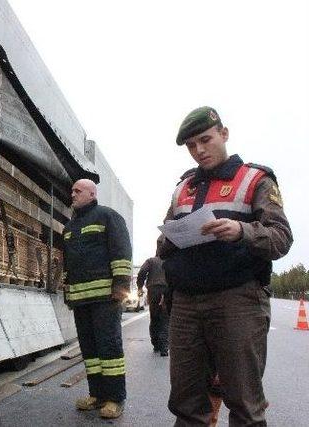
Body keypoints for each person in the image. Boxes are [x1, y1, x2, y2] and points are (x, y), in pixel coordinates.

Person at [159, 106, 293, 426]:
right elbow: (164, 244)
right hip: (187, 304)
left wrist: (241, 231)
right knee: (186, 403)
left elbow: (281, 238)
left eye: (205, 140)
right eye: (191, 146)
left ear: (224, 134)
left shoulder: (255, 179)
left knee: (244, 403)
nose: (199, 151)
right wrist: (170, 242)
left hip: (238, 300)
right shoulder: (183, 188)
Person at [63, 178, 132, 419]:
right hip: (81, 300)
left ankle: (115, 398)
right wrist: (68, 292)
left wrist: (121, 288)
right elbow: (68, 265)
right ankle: (97, 394)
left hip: (105, 299)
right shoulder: (69, 227)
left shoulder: (107, 217)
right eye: (72, 191)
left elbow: (121, 252)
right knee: (90, 350)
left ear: (92, 194)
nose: (73, 194)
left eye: (78, 191)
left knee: (109, 348)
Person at [136, 255, 169, 356]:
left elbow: (142, 272)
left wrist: (140, 287)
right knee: (165, 318)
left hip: (153, 290)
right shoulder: (170, 260)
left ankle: (156, 343)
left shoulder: (151, 261)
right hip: (167, 289)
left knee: (154, 318)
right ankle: (164, 347)